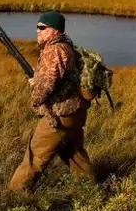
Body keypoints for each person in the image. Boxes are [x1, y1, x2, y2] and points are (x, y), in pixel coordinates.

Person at [8, 11, 95, 191]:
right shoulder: (65, 46)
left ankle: (14, 197)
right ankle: (90, 193)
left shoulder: (54, 50)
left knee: (34, 158)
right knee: (75, 155)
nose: (37, 31)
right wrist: (36, 79)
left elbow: (46, 86)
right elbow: (55, 80)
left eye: (42, 28)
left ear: (54, 30)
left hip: (60, 115)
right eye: (37, 27)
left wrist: (35, 95)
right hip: (75, 113)